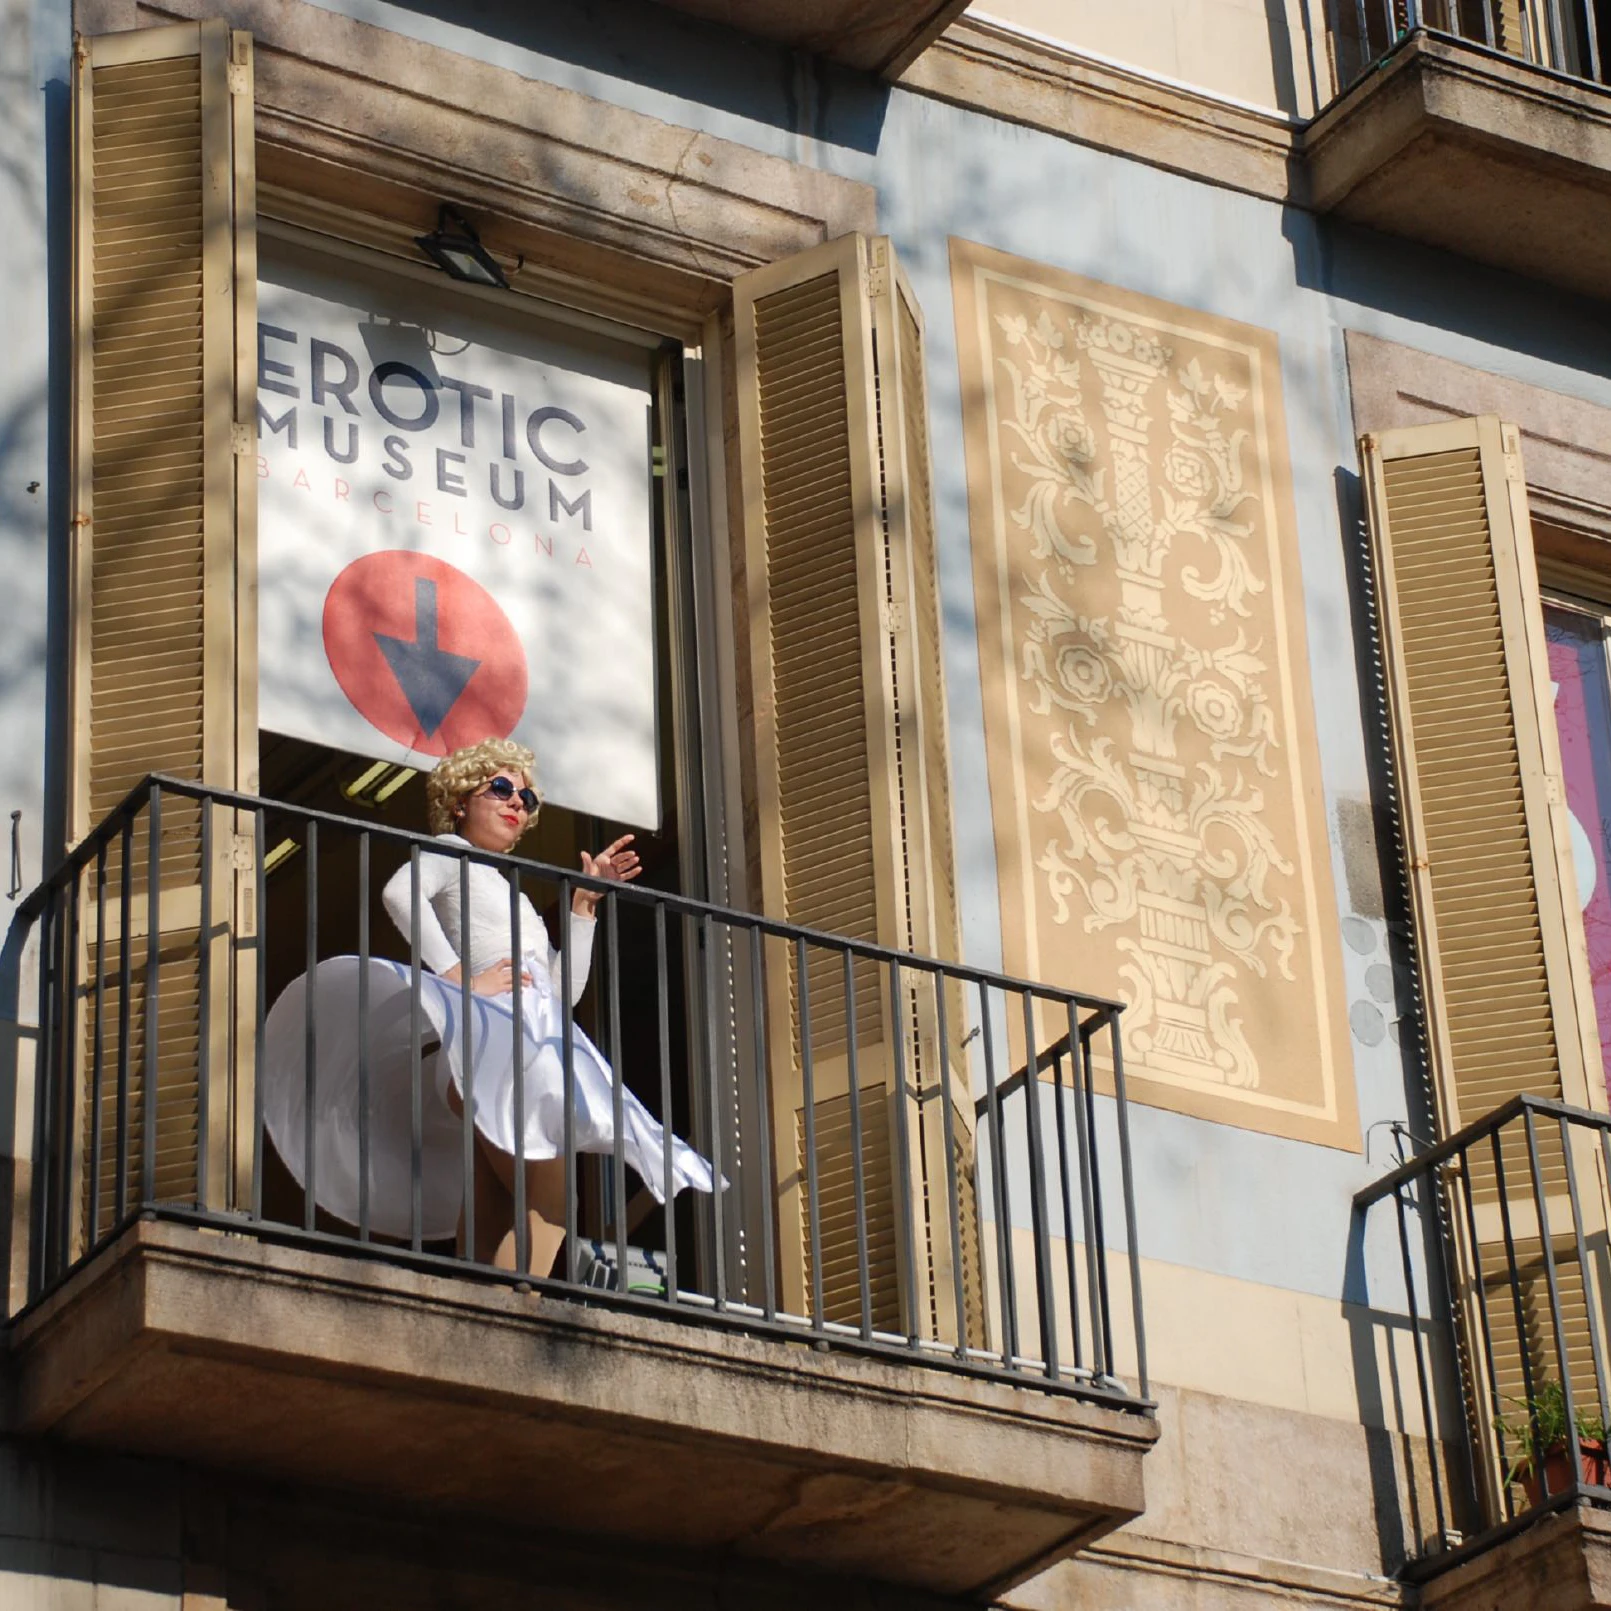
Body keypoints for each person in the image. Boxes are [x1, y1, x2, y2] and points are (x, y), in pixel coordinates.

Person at [261, 737, 718, 1274]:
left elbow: (561, 992)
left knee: (492, 1202)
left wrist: (583, 908)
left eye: (527, 799)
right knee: (550, 1201)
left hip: (511, 1043)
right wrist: (456, 980)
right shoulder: (452, 853)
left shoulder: (511, 893)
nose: (515, 803)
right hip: (495, 1046)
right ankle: (516, 1317)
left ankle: (479, 1307)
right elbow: (399, 893)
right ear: (459, 802)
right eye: (500, 788)